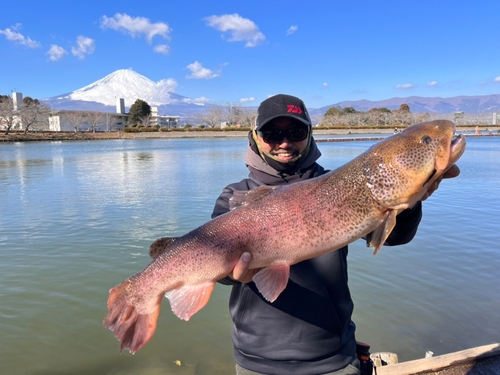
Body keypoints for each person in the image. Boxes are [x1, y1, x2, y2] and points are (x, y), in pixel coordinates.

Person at [211, 94, 460, 375]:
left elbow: (393, 237)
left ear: (309, 133)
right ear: (256, 137)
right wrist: (231, 275)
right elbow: (213, 267)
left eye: (296, 131)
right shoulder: (235, 196)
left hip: (332, 356)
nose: (284, 142)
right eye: (272, 133)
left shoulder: (342, 183)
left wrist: (411, 200)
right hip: (256, 359)